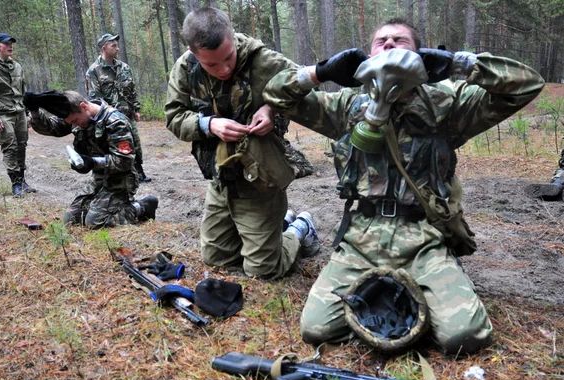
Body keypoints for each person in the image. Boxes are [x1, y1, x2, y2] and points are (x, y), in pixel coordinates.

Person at [263, 18, 545, 353]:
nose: (389, 45)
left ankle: (437, 280)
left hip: (423, 236)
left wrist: (459, 63)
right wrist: (320, 72)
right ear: (367, 55)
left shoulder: (446, 106)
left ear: (420, 55)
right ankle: (404, 297)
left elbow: (527, 84)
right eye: (381, 41)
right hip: (361, 237)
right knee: (316, 329)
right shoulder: (346, 107)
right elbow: (275, 95)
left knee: (465, 337)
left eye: (401, 40)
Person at [165, 7, 319, 280]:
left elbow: (305, 87)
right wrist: (209, 124)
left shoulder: (263, 61)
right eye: (211, 64)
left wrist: (272, 110)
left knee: (262, 270)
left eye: (228, 58)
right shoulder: (186, 69)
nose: (223, 69)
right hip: (222, 175)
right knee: (216, 259)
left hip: (260, 176)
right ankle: (274, 227)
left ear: (232, 37)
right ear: (194, 53)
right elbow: (174, 117)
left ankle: (300, 228)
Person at [23, 90, 158, 229]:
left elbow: (124, 161)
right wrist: (34, 111)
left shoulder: (116, 122)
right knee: (72, 219)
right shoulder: (75, 115)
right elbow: (51, 128)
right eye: (71, 122)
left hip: (122, 179)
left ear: (84, 107)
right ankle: (107, 205)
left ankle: (141, 207)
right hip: (100, 178)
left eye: (75, 121)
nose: (74, 125)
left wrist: (92, 162)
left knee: (95, 222)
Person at [86, 33, 152, 183]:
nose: (117, 48)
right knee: (119, 145)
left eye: (117, 45)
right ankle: (121, 174)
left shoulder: (124, 67)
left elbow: (132, 89)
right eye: (113, 45)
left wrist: (136, 108)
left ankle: (139, 171)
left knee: (135, 142)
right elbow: (95, 99)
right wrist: (106, 116)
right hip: (110, 118)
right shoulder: (94, 71)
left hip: (127, 114)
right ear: (104, 48)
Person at [0, 33, 36, 197]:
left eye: (11, 43)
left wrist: (27, 112)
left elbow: (23, 91)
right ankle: (15, 183)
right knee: (9, 146)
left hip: (19, 112)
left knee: (21, 145)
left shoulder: (16, 66)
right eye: (6, 43)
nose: (10, 46)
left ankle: (23, 181)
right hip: (2, 113)